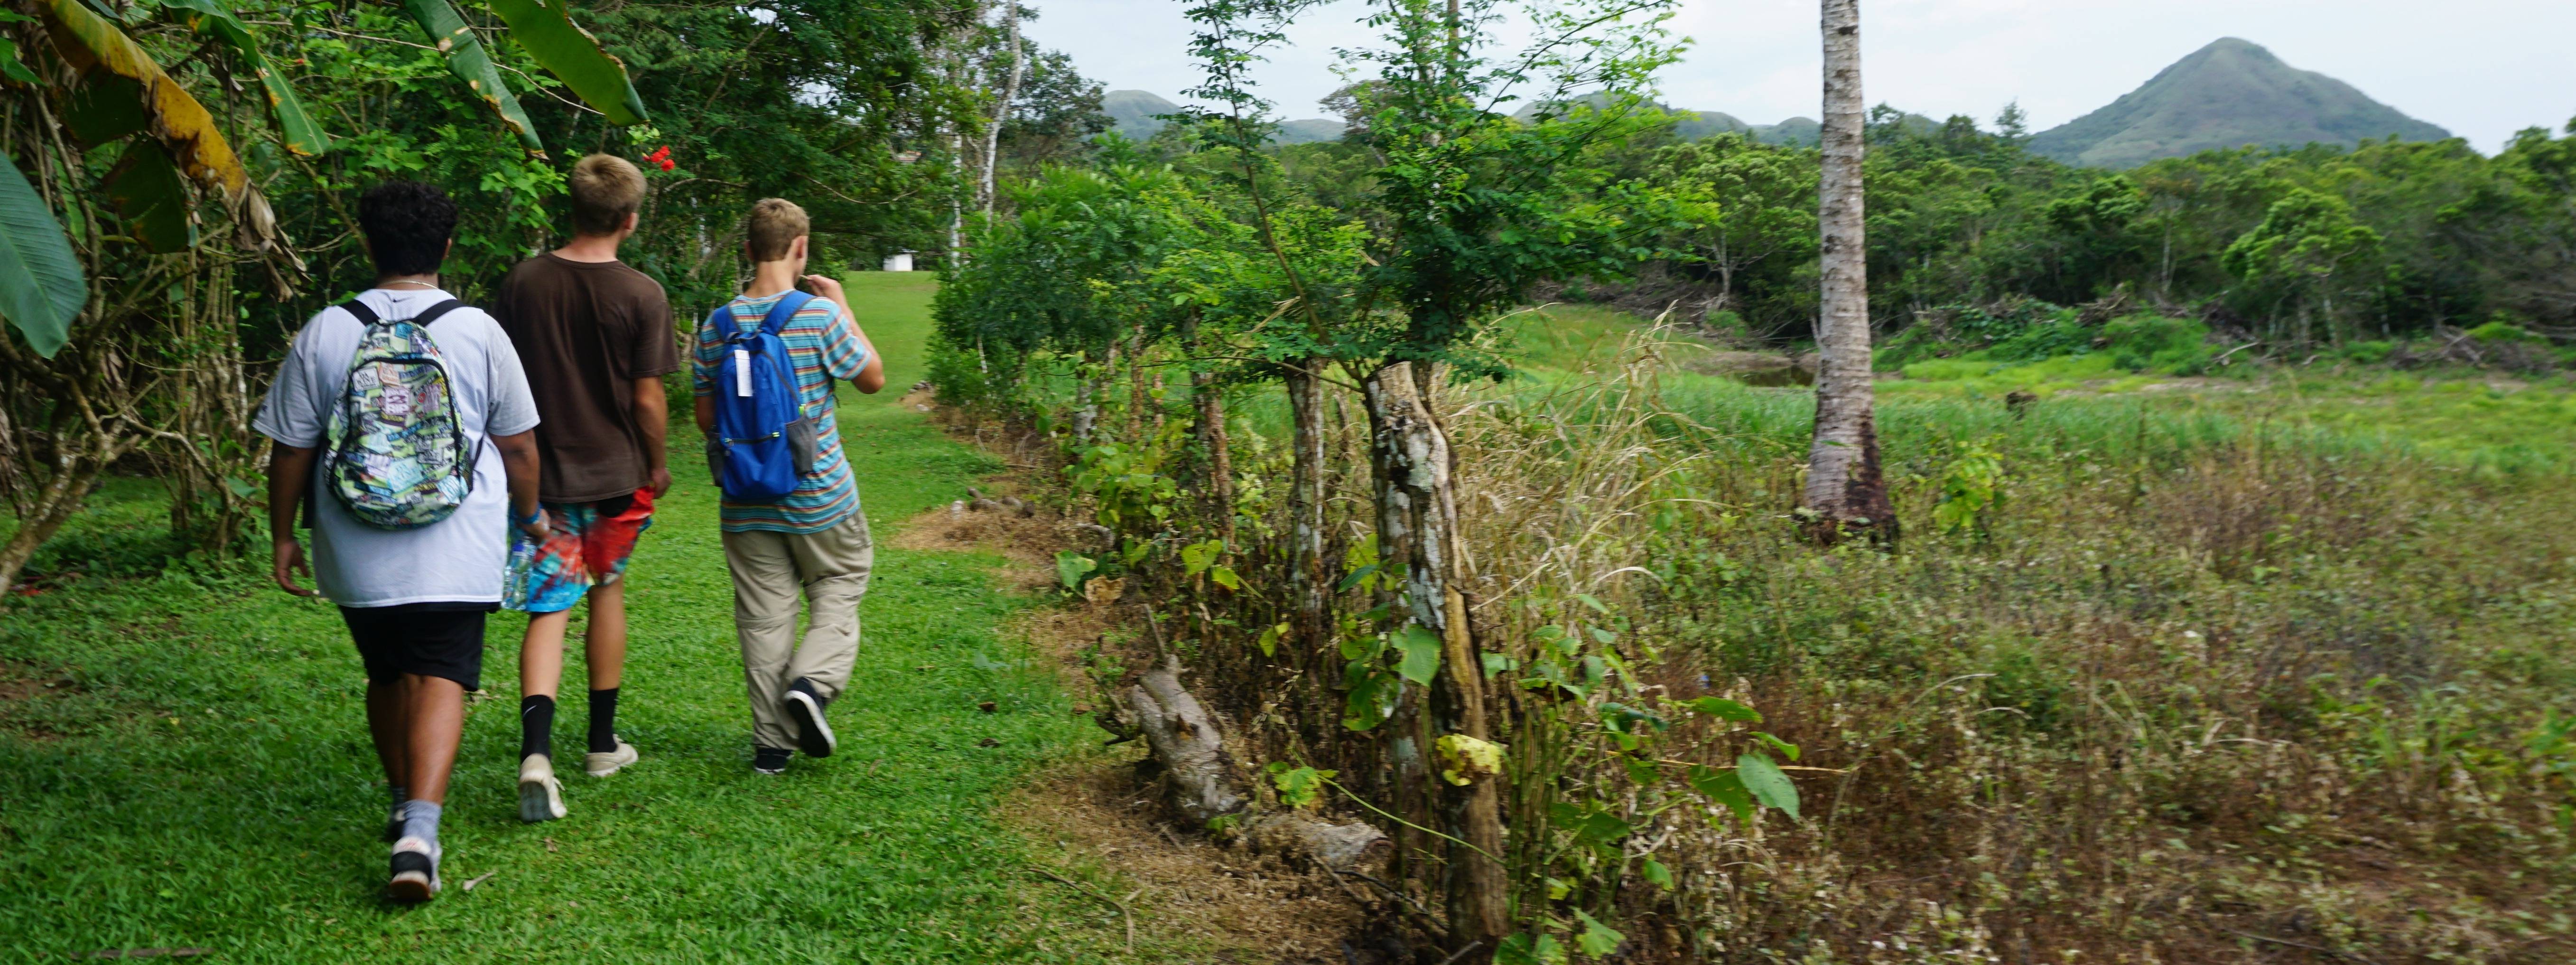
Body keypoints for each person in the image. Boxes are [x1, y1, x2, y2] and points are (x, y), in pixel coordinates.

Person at [258, 181, 544, 902]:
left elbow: (290, 450)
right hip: (459, 540)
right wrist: (531, 514)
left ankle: (398, 799)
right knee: (443, 672)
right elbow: (519, 448)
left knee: (386, 673)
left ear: (367, 244)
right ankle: (421, 831)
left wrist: (285, 535)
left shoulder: (325, 329)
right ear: (445, 248)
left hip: (355, 545)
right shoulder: (477, 329)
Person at [491, 154, 678, 823]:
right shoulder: (642, 294)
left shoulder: (523, 284)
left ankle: (536, 754)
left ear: (568, 209)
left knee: (550, 607)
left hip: (540, 473)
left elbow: (499, 381)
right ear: (629, 219)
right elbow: (649, 399)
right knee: (608, 593)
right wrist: (655, 463)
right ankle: (601, 744)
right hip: (615, 475)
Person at [692, 198, 886, 775]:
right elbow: (872, 379)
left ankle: (771, 748)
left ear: (748, 250)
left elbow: (707, 419)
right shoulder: (819, 317)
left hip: (744, 499)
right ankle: (812, 683)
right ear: (801, 249)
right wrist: (844, 307)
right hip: (819, 494)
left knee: (763, 615)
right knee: (840, 580)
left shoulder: (716, 325)